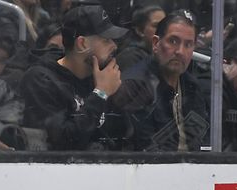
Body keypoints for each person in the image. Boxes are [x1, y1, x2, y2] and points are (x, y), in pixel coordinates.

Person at [19, 5, 130, 151]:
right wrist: (101, 94)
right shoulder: (40, 80)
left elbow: (124, 139)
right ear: (82, 44)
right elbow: (62, 143)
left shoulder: (102, 76)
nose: (114, 46)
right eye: (106, 40)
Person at [116, 10, 209, 152]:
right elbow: (144, 149)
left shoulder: (192, 86)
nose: (180, 51)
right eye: (173, 41)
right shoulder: (135, 85)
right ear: (156, 43)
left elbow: (197, 142)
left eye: (188, 44)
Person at [116, 5, 166, 72]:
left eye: (165, 25)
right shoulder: (130, 58)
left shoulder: (159, 54)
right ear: (140, 30)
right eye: (156, 25)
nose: (164, 30)